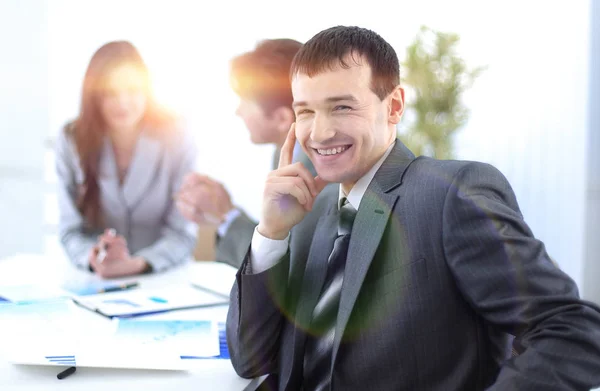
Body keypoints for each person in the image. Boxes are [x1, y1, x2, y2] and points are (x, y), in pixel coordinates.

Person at [226, 26, 600, 390]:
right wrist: (270, 234)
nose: (320, 133)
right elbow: (251, 361)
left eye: (341, 106)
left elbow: (572, 329)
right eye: (305, 112)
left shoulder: (450, 195)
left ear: (394, 107)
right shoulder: (309, 212)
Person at [56, 41, 198, 278]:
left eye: (132, 90)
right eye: (110, 93)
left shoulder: (177, 134)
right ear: (94, 96)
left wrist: (138, 264)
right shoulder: (72, 139)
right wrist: (92, 257)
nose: (122, 102)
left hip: (162, 276)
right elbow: (70, 230)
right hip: (95, 277)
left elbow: (182, 233)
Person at [176, 39, 317, 267]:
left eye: (245, 101)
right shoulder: (287, 154)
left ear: (282, 119)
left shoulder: (315, 173)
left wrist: (226, 216)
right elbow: (275, 239)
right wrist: (217, 217)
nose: (238, 111)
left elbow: (286, 267)